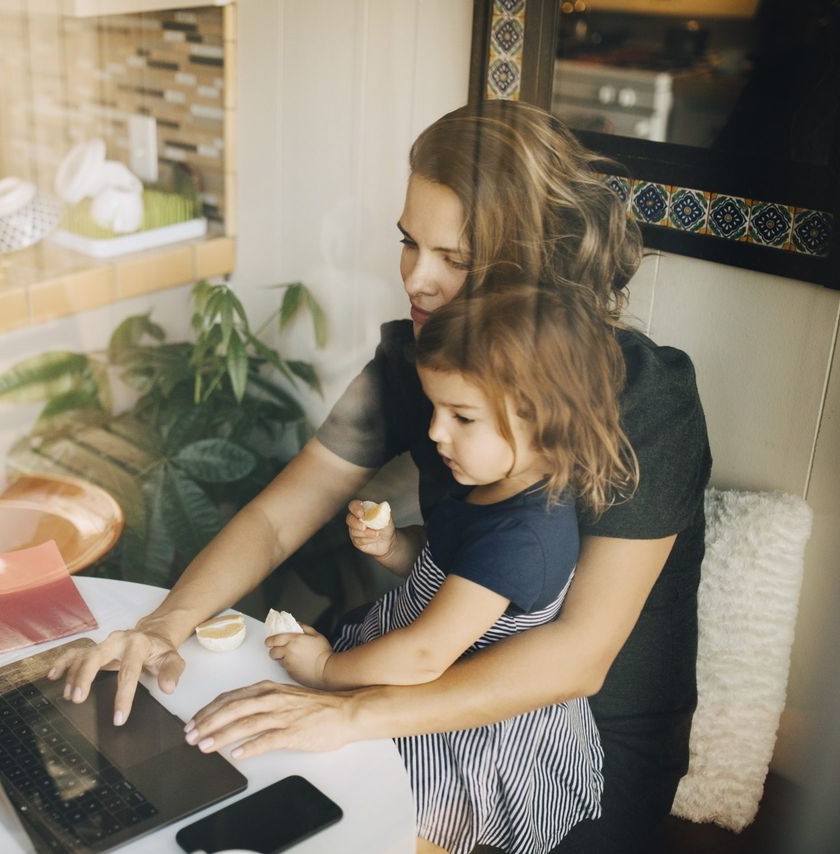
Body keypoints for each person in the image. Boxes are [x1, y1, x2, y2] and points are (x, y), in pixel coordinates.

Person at [48, 100, 712, 853]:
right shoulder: (417, 361)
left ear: (535, 261)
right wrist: (161, 626)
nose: (418, 281)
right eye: (409, 243)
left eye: (455, 259)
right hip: (416, 689)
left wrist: (349, 713)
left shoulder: (648, 400)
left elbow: (578, 657)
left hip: (574, 752)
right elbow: (279, 516)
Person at [267, 285, 637, 853]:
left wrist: (325, 669)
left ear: (546, 422)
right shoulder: (489, 485)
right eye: (436, 408)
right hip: (416, 671)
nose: (437, 431)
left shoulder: (524, 537)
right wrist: (394, 546)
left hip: (464, 726)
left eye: (463, 416)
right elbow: (441, 569)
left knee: (387, 824)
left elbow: (424, 655)